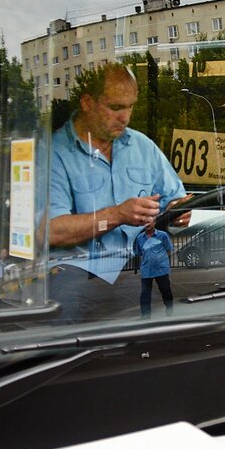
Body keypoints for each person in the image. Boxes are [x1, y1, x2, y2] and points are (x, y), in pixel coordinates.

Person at [48, 63, 190, 314]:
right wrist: (116, 215)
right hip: (75, 281)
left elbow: (174, 201)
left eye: (130, 107)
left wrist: (179, 212)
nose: (124, 117)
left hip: (139, 274)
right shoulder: (54, 154)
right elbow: (51, 231)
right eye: (115, 108)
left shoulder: (142, 147)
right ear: (87, 102)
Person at [134, 222, 174, 318]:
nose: (147, 224)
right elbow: (139, 252)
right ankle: (145, 315)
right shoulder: (140, 238)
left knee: (165, 290)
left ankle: (169, 308)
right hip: (146, 270)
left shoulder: (162, 235)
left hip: (161, 269)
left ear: (154, 222)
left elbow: (169, 250)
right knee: (145, 293)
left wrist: (161, 260)